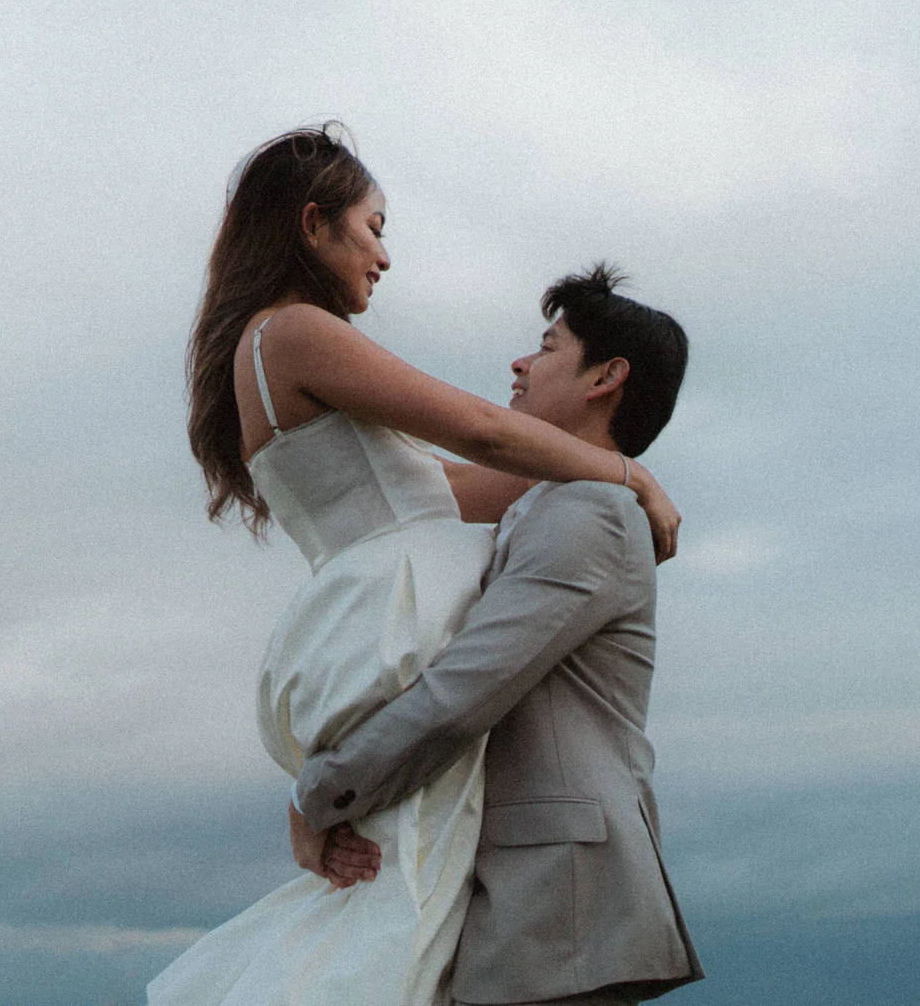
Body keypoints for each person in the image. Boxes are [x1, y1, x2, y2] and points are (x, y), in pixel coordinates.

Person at [149, 126, 681, 1006]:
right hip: (390, 610)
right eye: (374, 226)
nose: (384, 256)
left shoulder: (274, 344)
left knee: (399, 892)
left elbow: (472, 480)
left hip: (370, 608)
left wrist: (605, 465)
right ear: (315, 225)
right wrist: (633, 473)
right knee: (395, 894)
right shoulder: (295, 330)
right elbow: (483, 429)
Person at [289, 265, 704, 1006]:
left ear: (606, 377)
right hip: (535, 900)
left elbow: (462, 694)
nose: (520, 363)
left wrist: (319, 793)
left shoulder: (591, 515)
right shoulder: (548, 503)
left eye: (547, 348)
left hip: (562, 904)